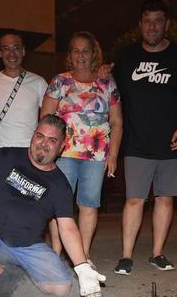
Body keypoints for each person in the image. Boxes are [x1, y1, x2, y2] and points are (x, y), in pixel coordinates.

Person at [0, 115, 106, 297]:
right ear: (33, 136)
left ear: (61, 147)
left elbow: (67, 228)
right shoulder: (6, 156)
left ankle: (22, 267)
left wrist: (82, 267)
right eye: (40, 136)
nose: (43, 144)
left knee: (61, 289)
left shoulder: (60, 185)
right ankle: (3, 276)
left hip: (28, 246)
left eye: (52, 140)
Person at [111, 0, 177, 275]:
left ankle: (157, 254)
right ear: (140, 24)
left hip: (172, 143)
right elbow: (112, 91)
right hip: (137, 142)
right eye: (147, 21)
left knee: (166, 199)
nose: (152, 27)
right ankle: (126, 256)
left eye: (158, 21)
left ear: (166, 24)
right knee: (134, 199)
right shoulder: (127, 56)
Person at [40, 31, 122, 264]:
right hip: (63, 154)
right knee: (59, 205)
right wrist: (47, 153)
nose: (80, 55)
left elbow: (117, 121)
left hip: (96, 156)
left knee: (88, 204)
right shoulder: (60, 81)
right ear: (70, 55)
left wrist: (113, 154)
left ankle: (83, 257)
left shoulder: (107, 83)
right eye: (75, 50)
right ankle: (56, 255)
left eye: (85, 50)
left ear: (93, 53)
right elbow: (46, 118)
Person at [0, 30, 47, 154]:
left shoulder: (39, 82)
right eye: (6, 48)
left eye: (16, 48)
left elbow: (49, 119)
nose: (11, 54)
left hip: (29, 154)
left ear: (23, 51)